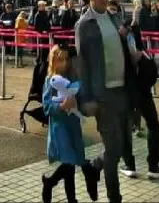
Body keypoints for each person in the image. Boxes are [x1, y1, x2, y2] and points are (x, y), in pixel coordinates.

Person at [75, 0, 136, 203]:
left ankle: (95, 165)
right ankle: (114, 197)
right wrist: (86, 98)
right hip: (103, 94)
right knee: (114, 148)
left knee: (123, 146)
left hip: (122, 89)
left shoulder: (114, 18)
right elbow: (83, 65)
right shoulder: (84, 25)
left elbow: (124, 45)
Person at [42, 44, 102, 203]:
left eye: (66, 60)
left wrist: (82, 104)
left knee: (73, 162)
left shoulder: (73, 79)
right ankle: (51, 182)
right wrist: (60, 106)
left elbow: (81, 96)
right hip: (59, 126)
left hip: (73, 125)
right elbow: (47, 106)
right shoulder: (51, 81)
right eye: (60, 60)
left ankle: (69, 196)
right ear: (53, 61)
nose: (64, 63)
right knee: (69, 160)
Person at [119, 18, 159, 180]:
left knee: (125, 126)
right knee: (153, 124)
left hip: (127, 89)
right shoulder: (137, 40)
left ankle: (129, 164)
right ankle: (153, 165)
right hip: (143, 89)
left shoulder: (119, 42)